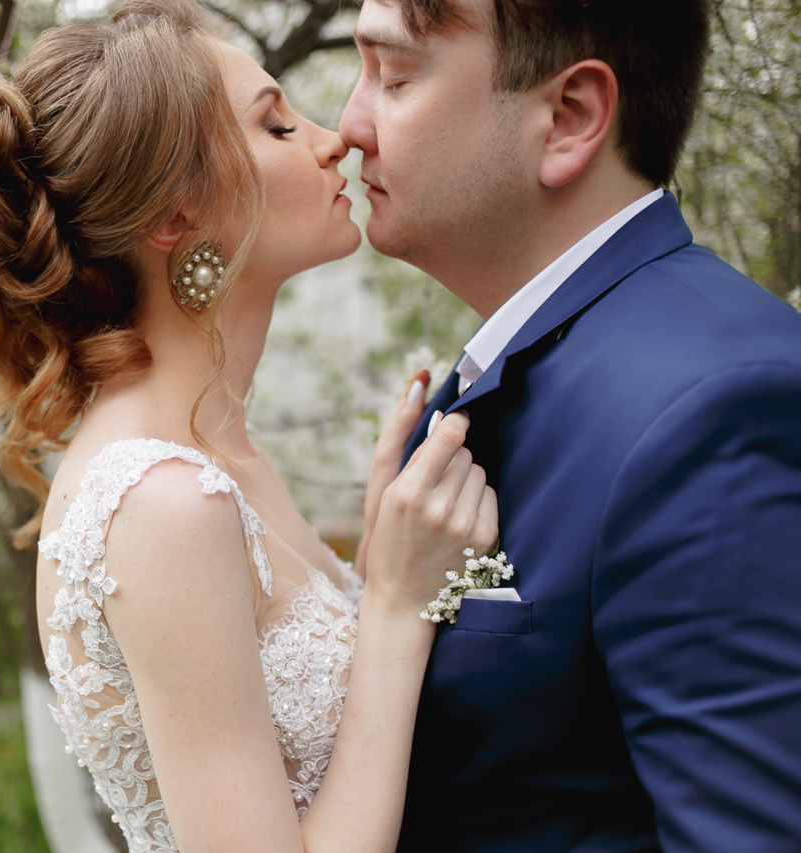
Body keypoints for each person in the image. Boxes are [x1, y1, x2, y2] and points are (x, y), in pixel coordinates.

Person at [0, 1, 499, 850]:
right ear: (175, 217)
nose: (334, 139)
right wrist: (397, 608)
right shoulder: (164, 503)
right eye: (278, 126)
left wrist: (377, 551)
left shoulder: (221, 456)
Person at [338, 0, 801, 850]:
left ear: (569, 118)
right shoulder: (523, 364)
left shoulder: (716, 409)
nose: (349, 126)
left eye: (394, 76)